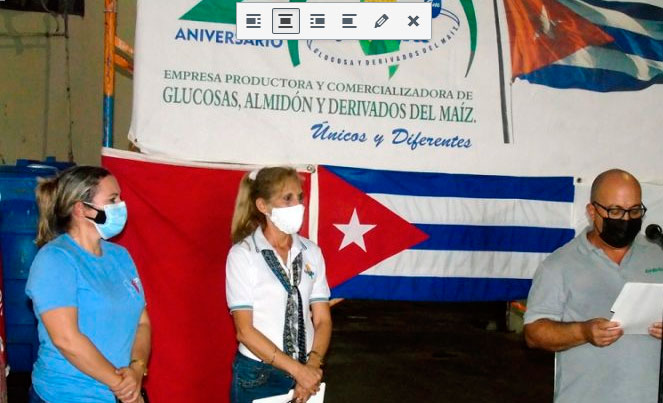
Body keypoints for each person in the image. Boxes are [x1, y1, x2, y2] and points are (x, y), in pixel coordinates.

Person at [524, 168, 663, 403]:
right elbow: (534, 333)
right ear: (592, 211)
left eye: (635, 211)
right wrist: (583, 332)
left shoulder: (657, 256)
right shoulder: (559, 265)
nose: (626, 220)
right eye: (616, 211)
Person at [25, 166, 151, 403]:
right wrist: (122, 386)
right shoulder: (55, 260)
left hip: (119, 392)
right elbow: (66, 339)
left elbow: (142, 321)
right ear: (81, 209)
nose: (121, 205)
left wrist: (137, 368)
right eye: (113, 199)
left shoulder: (120, 256)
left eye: (120, 198)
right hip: (68, 395)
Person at [226, 167, 332, 403]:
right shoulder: (243, 255)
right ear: (263, 206)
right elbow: (245, 331)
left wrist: (311, 367)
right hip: (258, 376)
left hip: (307, 372)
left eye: (300, 197)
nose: (298, 205)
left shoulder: (311, 252)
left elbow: (322, 319)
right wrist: (299, 371)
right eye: (288, 199)